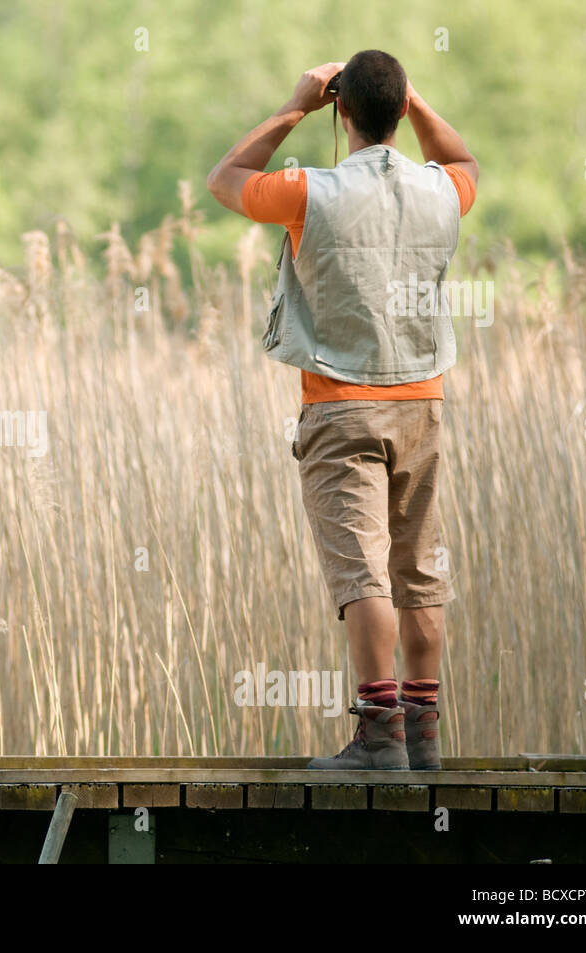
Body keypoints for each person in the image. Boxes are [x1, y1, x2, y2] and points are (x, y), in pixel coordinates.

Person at [205, 50, 479, 769]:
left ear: (343, 112)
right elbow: (466, 161)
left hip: (339, 406)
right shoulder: (440, 192)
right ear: (397, 110)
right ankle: (423, 736)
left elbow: (225, 180)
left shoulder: (309, 192)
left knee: (364, 574)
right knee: (418, 570)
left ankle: (378, 736)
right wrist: (415, 102)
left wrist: (295, 105)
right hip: (422, 403)